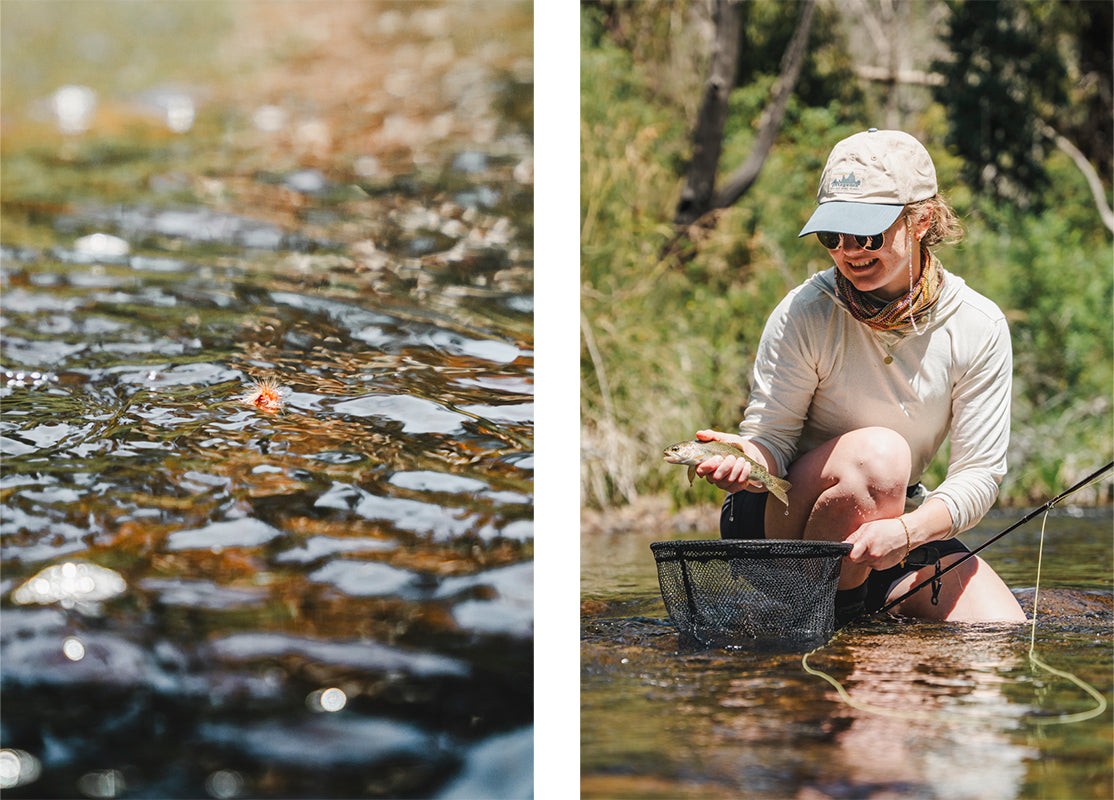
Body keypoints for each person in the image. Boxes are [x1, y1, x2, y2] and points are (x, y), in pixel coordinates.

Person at [693, 128, 1027, 625]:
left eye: (868, 234)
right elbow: (772, 441)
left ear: (921, 221)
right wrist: (746, 457)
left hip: (893, 526)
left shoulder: (978, 325)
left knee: (1000, 631)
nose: (850, 251)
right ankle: (826, 616)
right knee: (881, 457)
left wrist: (908, 533)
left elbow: (977, 477)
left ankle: (857, 613)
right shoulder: (804, 313)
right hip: (780, 523)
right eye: (833, 236)